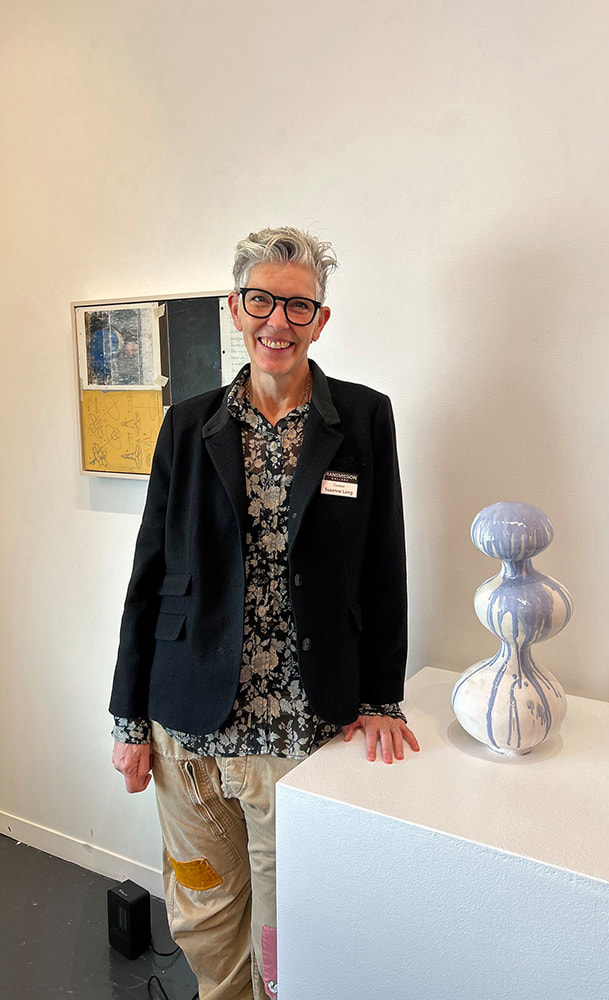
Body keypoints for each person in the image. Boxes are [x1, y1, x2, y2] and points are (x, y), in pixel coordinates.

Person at [109, 226, 419, 1000]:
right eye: (261, 301)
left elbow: (384, 564)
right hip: (187, 736)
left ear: (320, 319)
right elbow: (150, 573)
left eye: (297, 305)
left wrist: (383, 696)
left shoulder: (364, 420)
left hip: (298, 737)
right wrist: (128, 721)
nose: (277, 321)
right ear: (234, 307)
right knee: (204, 921)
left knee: (286, 945)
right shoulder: (187, 424)